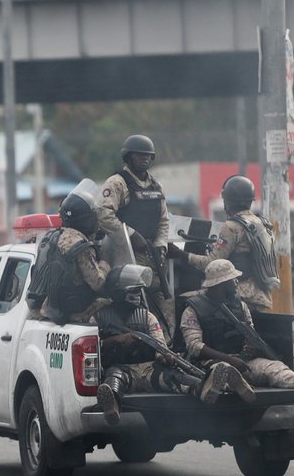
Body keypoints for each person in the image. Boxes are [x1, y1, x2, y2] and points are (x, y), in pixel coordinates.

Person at [94, 264, 256, 425]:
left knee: (173, 376)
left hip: (149, 369)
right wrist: (113, 341)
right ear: (118, 293)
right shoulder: (99, 318)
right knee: (115, 377)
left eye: (139, 290)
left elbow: (159, 346)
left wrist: (166, 357)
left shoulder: (148, 317)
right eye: (133, 291)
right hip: (120, 369)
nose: (137, 294)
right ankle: (112, 405)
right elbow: (91, 349)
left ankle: (204, 388)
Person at [180, 259, 294, 398]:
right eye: (233, 279)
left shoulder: (240, 306)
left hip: (243, 361)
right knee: (224, 372)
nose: (237, 283)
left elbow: (250, 333)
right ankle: (242, 387)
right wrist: (230, 360)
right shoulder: (193, 309)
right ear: (221, 283)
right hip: (211, 364)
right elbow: (195, 347)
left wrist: (246, 354)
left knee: (274, 368)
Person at [97, 135, 174, 334]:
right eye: (140, 155)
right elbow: (104, 214)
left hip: (153, 256)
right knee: (134, 306)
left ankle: (166, 346)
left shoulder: (156, 186)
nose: (145, 159)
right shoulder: (117, 183)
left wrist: (161, 245)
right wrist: (130, 235)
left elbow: (164, 221)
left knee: (163, 305)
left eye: (148, 155)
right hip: (124, 255)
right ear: (128, 157)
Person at [170, 175, 278, 312]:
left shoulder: (232, 226)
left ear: (227, 202)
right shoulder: (263, 223)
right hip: (263, 297)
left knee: (183, 300)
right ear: (250, 201)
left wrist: (181, 254)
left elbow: (212, 263)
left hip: (240, 295)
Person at [28, 179, 111, 325]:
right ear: (87, 219)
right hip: (71, 313)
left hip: (42, 310)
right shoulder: (80, 245)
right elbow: (97, 282)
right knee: (111, 302)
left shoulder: (50, 237)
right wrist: (105, 261)